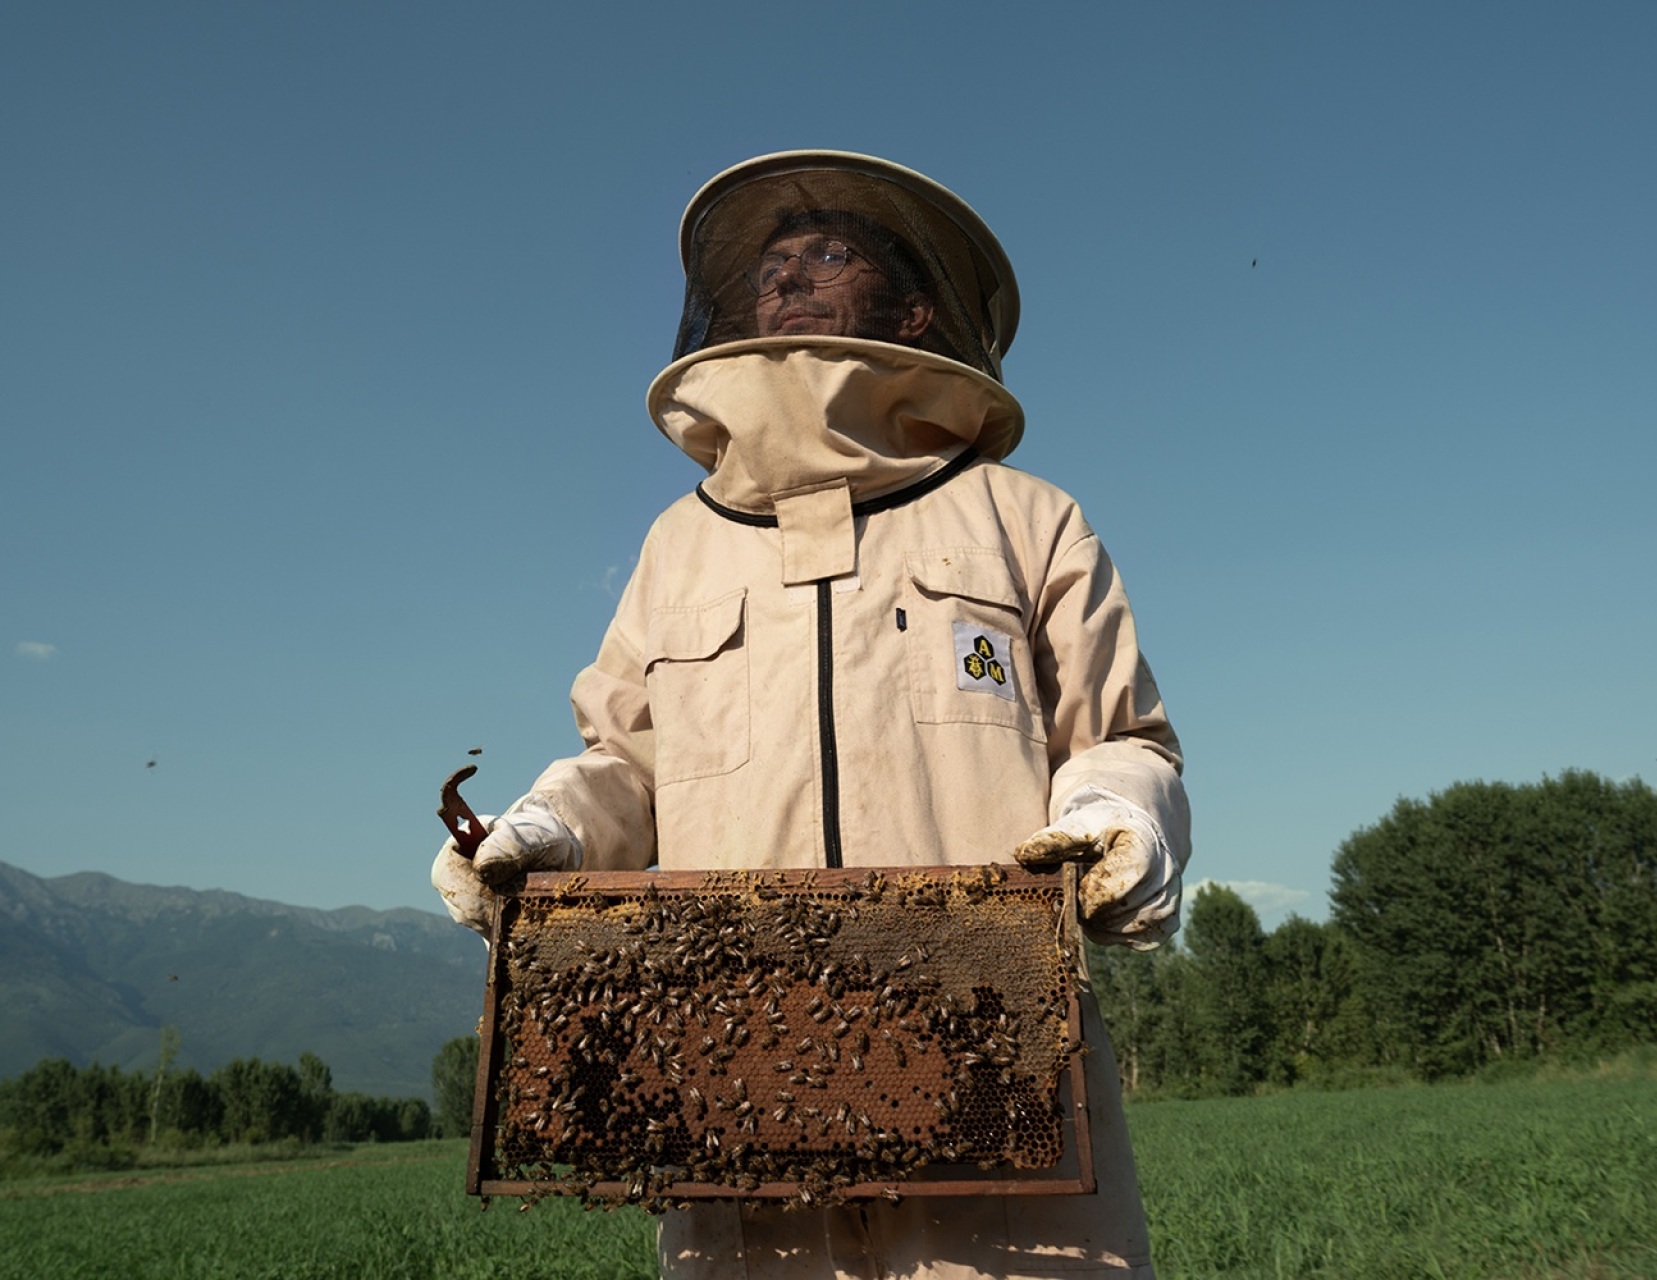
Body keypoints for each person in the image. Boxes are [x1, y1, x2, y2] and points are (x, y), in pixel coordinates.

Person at [433, 150, 1191, 1280]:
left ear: (916, 306)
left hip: (999, 1082)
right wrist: (547, 832)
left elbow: (1120, 738)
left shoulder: (1025, 517)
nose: (785, 277)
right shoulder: (676, 546)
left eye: (828, 254)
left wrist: (1111, 820)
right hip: (733, 1095)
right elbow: (627, 765)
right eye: (770, 265)